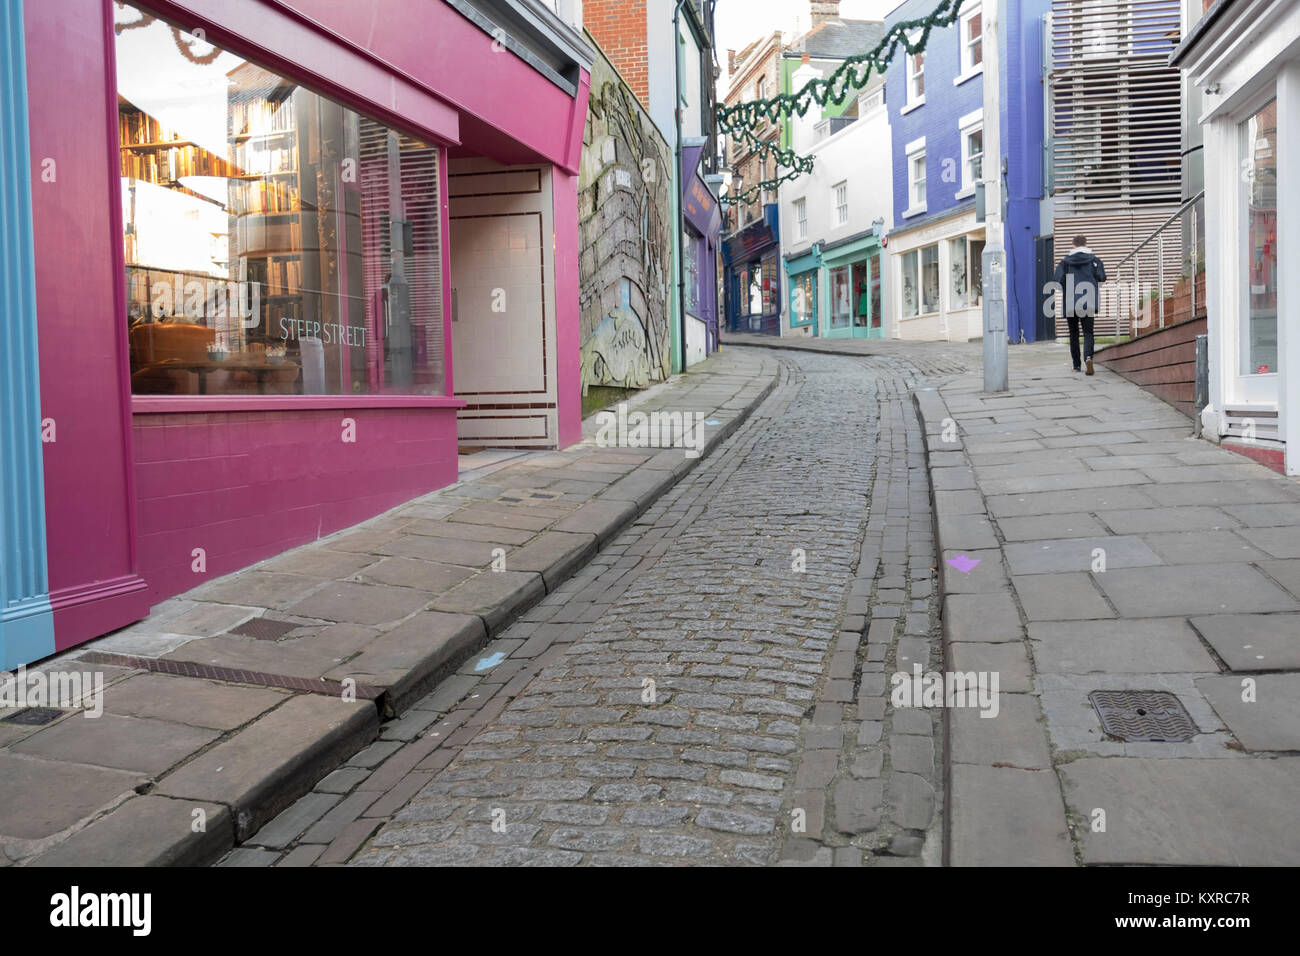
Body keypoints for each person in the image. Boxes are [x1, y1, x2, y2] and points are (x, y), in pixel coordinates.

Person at [1053, 235, 1106, 374]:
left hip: (1071, 301)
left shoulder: (1065, 262)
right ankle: (1088, 357)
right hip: (1088, 300)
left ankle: (1076, 366)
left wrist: (1067, 287)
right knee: (1088, 333)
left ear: (1073, 246)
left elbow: (1057, 281)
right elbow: (1102, 277)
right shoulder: (1094, 260)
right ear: (1086, 244)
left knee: (1073, 333)